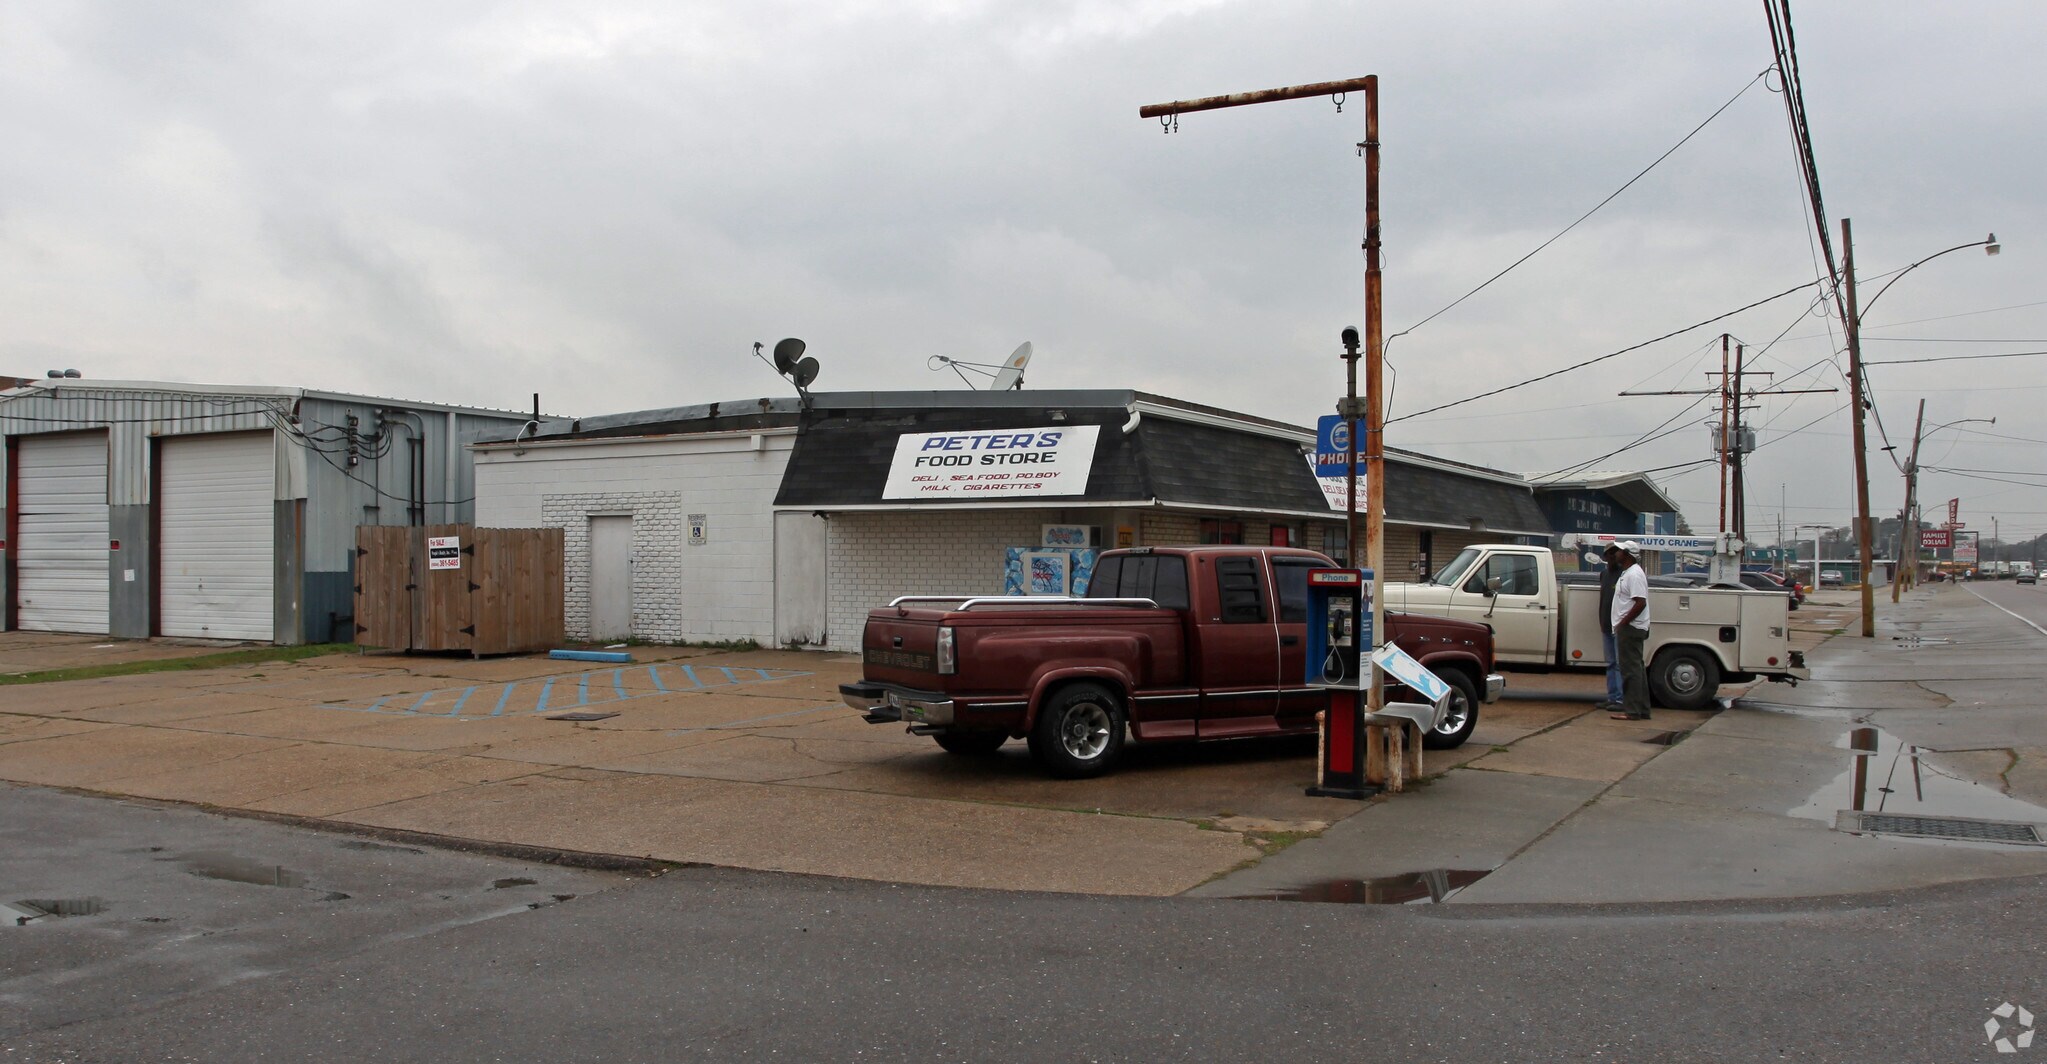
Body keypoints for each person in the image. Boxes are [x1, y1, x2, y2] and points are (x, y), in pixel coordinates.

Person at [1609, 541, 1652, 720]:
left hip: (1631, 628)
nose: (1616, 553)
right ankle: (1641, 709)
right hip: (1631, 627)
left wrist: (1623, 623)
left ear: (1627, 554)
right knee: (1637, 669)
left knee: (1630, 670)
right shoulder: (1628, 573)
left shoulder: (1634, 574)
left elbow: (1640, 602)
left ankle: (1632, 710)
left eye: (1619, 550)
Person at [1596, 544, 1625, 711]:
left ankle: (1621, 700)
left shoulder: (1624, 575)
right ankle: (1612, 697)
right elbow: (1602, 598)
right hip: (1606, 625)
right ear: (1605, 556)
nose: (1613, 557)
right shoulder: (1604, 574)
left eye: (1615, 553)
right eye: (1609, 554)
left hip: (1619, 626)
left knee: (1620, 664)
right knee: (1610, 663)